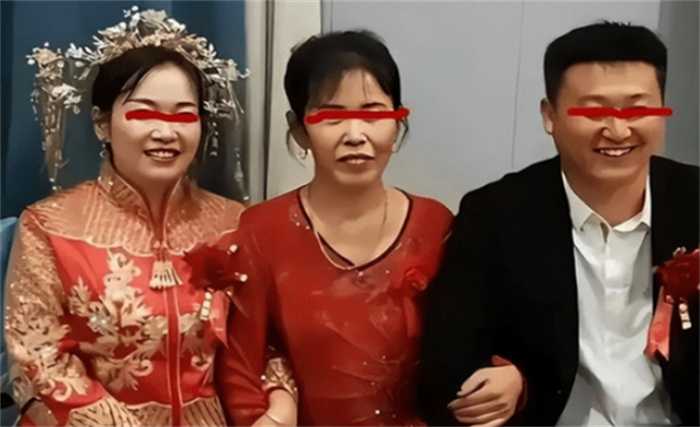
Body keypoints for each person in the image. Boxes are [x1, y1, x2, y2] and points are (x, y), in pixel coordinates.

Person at [4, 7, 295, 426]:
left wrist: (280, 403)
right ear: (102, 123)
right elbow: (39, 361)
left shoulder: (236, 222)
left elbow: (267, 340)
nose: (166, 132)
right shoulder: (48, 227)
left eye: (183, 116)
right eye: (143, 114)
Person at [418, 21, 699, 426]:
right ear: (550, 116)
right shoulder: (497, 214)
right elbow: (447, 364)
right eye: (593, 110)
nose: (618, 130)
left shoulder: (693, 200)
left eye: (637, 109)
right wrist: (513, 383)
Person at [216, 30, 461, 426]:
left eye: (373, 113)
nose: (355, 135)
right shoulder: (262, 231)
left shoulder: (435, 225)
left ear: (398, 121)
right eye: (331, 117)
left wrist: (506, 376)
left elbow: (472, 340)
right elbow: (241, 366)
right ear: (299, 129)